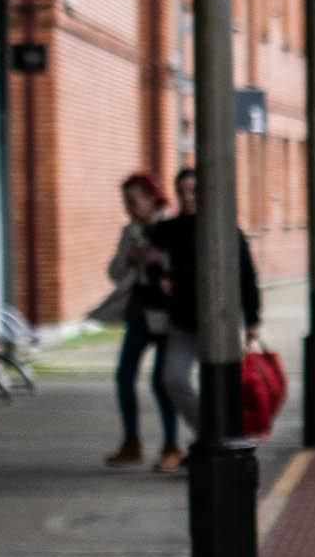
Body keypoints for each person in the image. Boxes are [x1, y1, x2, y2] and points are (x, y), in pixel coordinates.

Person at [139, 166, 261, 459]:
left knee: (218, 385)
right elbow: (150, 267)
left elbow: (246, 276)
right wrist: (159, 277)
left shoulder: (226, 231)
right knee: (173, 378)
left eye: (193, 191)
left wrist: (253, 319)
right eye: (181, 192)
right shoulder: (167, 231)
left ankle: (217, 441)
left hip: (219, 322)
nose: (187, 197)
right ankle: (209, 434)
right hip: (182, 319)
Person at [99, 171, 177, 468]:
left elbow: (183, 263)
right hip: (139, 309)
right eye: (126, 202)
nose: (130, 207)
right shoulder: (130, 232)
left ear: (151, 197)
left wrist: (161, 261)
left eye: (134, 201)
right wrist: (129, 259)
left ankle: (171, 445)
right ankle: (131, 441)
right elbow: (114, 272)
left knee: (162, 380)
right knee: (124, 375)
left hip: (167, 311)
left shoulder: (171, 227)